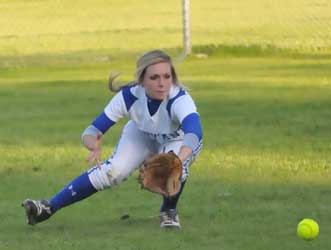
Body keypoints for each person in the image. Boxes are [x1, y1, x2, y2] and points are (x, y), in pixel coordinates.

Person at [22, 50, 203, 229]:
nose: (162, 83)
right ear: (141, 79)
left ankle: (169, 210)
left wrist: (178, 159)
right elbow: (92, 130)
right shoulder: (130, 96)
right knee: (114, 171)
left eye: (166, 76)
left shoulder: (179, 98)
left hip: (178, 138)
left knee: (176, 167)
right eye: (154, 77)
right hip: (141, 133)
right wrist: (92, 144)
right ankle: (48, 207)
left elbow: (194, 132)